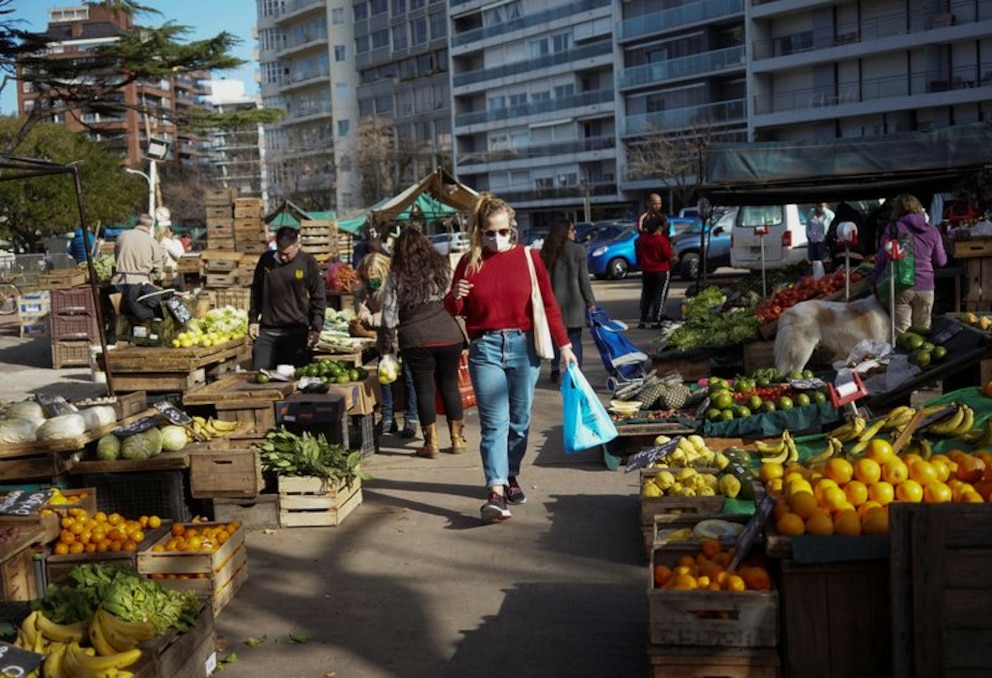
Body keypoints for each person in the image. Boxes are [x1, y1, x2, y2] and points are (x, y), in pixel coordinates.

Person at [445, 193, 576, 524]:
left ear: (512, 229)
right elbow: (456, 309)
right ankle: (496, 489)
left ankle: (511, 473)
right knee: (494, 425)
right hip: (484, 348)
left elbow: (548, 305)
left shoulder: (529, 259)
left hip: (523, 348)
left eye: (503, 232)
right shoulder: (468, 262)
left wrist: (565, 346)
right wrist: (453, 298)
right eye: (490, 232)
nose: (497, 238)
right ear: (480, 231)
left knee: (519, 422)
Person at [380, 227, 467, 458]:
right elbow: (452, 297)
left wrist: (386, 345)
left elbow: (388, 314)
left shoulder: (397, 274)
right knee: (450, 385)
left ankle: (432, 444)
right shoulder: (442, 267)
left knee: (424, 390)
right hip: (449, 334)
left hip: (416, 338)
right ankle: (457, 439)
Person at [354, 240, 419, 438]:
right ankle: (388, 418)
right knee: (386, 378)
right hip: (385, 341)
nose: (371, 281)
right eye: (368, 277)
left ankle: (411, 418)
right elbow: (359, 299)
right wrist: (362, 309)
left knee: (409, 378)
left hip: (403, 338)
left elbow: (395, 312)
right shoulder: (366, 287)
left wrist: (374, 318)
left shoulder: (394, 284)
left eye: (374, 277)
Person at [248, 226, 326, 369]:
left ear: (297, 245)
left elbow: (318, 297)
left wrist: (316, 328)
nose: (283, 257)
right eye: (280, 252)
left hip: (297, 331)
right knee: (259, 375)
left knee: (296, 379)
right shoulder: (266, 260)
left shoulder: (308, 262)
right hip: (268, 332)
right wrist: (253, 319)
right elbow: (256, 291)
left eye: (288, 254)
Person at [869, 194, 948, 333]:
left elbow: (881, 258)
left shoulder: (893, 228)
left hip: (901, 285)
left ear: (897, 210)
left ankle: (902, 355)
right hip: (926, 287)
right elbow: (941, 261)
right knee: (923, 332)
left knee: (902, 333)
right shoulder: (932, 230)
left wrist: (874, 280)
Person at [540, 217, 596, 383]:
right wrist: (590, 301)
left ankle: (555, 369)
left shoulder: (546, 251)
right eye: (572, 229)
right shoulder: (578, 250)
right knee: (574, 340)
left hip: (552, 304)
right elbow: (583, 280)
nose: (574, 232)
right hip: (575, 304)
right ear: (567, 231)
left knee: (556, 339)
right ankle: (575, 372)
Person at [111, 213, 166, 322]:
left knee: (119, 316)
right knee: (141, 317)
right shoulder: (151, 241)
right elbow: (157, 265)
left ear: (136, 223)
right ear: (150, 227)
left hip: (119, 281)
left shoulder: (122, 236)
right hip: (140, 284)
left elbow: (116, 256)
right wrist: (157, 275)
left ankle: (115, 335)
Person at [634, 214, 673, 329]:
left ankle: (643, 319)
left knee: (647, 295)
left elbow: (639, 253)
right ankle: (656, 319)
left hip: (646, 270)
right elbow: (667, 255)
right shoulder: (661, 240)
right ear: (659, 227)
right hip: (661, 270)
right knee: (659, 296)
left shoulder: (642, 239)